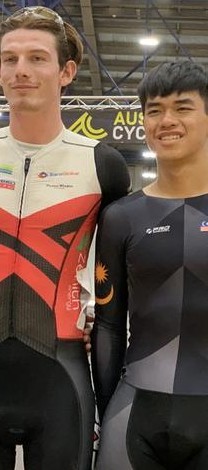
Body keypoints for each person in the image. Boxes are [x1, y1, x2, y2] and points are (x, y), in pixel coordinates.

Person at [0, 7, 130, 469]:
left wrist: (100, 321)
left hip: (61, 378)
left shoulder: (102, 165)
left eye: (37, 58)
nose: (21, 70)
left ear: (66, 72)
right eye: (10, 59)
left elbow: (121, 267)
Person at [92, 61, 208, 469]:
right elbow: (108, 323)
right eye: (155, 110)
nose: (167, 120)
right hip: (133, 413)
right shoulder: (122, 216)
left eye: (183, 107)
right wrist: (104, 412)